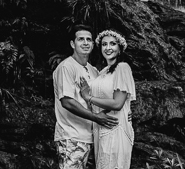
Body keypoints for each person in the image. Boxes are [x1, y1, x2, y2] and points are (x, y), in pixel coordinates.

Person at [53, 24, 119, 169]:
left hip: (91, 138)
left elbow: (99, 101)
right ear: (72, 43)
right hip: (71, 137)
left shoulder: (93, 71)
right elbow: (67, 102)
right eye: (80, 39)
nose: (85, 43)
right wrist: (96, 117)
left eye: (88, 40)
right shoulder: (66, 67)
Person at [79, 29, 136, 169]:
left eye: (113, 44)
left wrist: (88, 97)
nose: (108, 48)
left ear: (120, 48)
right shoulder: (104, 71)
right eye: (104, 44)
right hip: (100, 129)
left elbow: (117, 103)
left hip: (115, 128)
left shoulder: (122, 68)